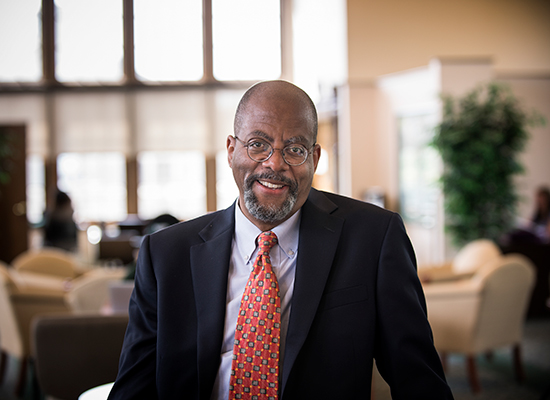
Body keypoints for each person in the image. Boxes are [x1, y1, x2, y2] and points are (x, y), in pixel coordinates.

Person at [108, 80, 453, 399]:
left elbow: (418, 379)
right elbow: (134, 388)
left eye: (295, 149)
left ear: (314, 159)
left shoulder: (374, 238)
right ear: (231, 150)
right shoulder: (167, 255)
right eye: (258, 144)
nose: (274, 164)